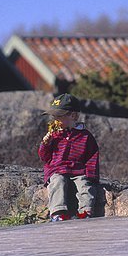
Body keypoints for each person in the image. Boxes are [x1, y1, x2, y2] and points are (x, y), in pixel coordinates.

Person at [38, 93, 100, 221]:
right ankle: (58, 212)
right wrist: (45, 144)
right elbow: (45, 158)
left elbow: (92, 156)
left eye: (59, 117)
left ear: (73, 116)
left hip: (79, 169)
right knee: (57, 182)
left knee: (85, 185)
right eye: (54, 117)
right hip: (57, 169)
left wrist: (91, 175)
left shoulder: (85, 136)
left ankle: (85, 212)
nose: (55, 121)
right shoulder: (54, 135)